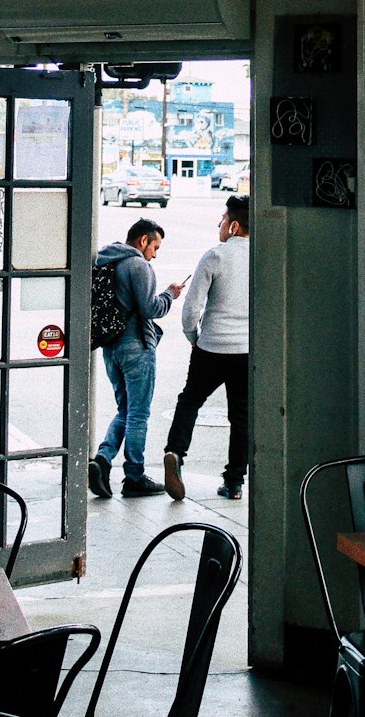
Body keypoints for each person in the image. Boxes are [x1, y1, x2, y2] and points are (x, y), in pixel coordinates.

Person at [89, 217, 186, 498]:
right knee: (139, 413)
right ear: (143, 241)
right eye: (155, 246)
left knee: (125, 409)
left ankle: (103, 459)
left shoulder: (105, 260)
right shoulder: (137, 265)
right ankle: (134, 475)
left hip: (111, 348)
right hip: (137, 347)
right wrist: (169, 294)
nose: (155, 253)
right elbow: (150, 308)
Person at [163, 195, 250, 502]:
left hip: (211, 346)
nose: (220, 225)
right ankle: (235, 482)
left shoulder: (215, 256)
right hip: (246, 351)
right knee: (241, 415)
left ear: (235, 226)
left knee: (190, 400)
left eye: (223, 220)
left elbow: (191, 309)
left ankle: (175, 452)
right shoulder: (263, 256)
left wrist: (193, 337)